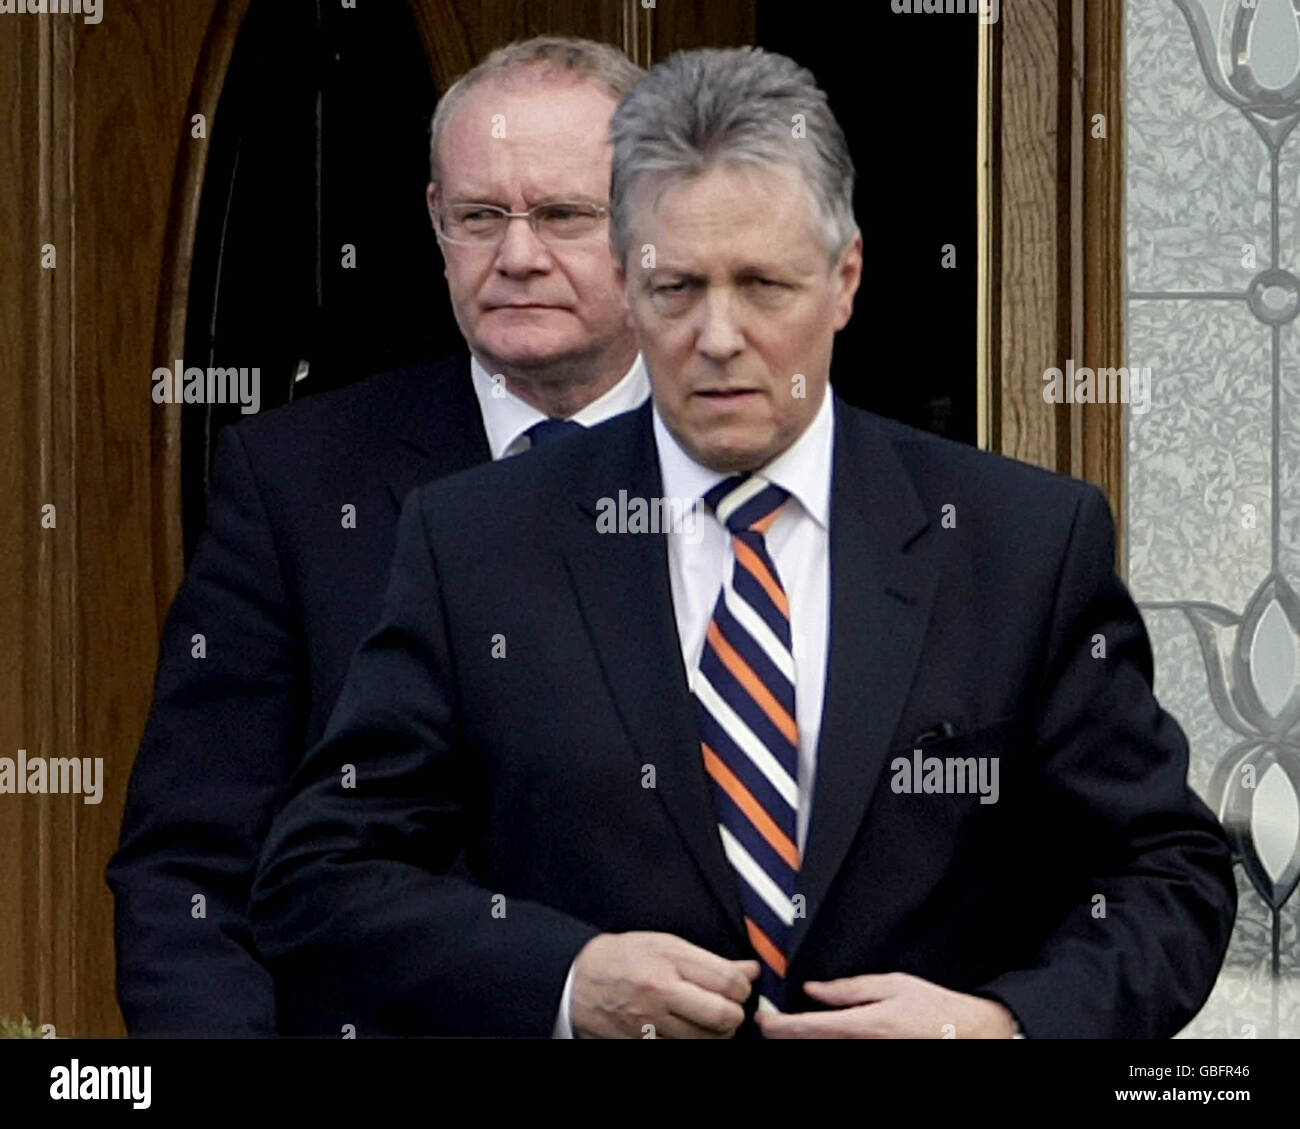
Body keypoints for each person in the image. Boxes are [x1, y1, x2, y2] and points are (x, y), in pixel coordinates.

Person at [250, 46, 1237, 1039]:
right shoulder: (477, 544)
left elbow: (1165, 874)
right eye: (677, 288)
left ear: (845, 278)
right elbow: (319, 874)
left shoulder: (1019, 541)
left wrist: (1003, 1027)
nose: (718, 335)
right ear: (630, 286)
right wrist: (563, 979)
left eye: (762, 285)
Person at [107, 35, 647, 1037]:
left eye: (565, 215)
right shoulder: (298, 483)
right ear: (437, 223)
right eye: (480, 216)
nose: (517, 255)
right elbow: (191, 870)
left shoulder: (769, 472)